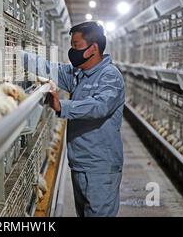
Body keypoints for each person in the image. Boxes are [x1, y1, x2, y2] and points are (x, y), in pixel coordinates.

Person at [20, 21, 125, 217]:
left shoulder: (110, 76)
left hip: (100, 168)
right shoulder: (78, 74)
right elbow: (48, 68)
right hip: (79, 163)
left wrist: (63, 106)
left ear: (92, 48)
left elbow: (100, 105)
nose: (72, 51)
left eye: (76, 46)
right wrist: (14, 54)